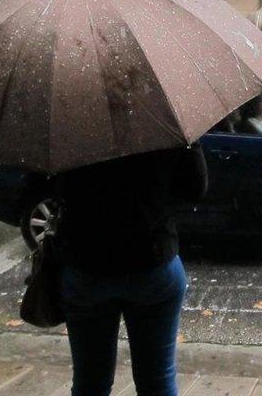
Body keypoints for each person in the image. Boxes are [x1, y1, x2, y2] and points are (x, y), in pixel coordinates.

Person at [54, 146, 208, 396]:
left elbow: (36, 189)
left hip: (87, 265)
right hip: (153, 261)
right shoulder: (160, 123)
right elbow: (195, 188)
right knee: (158, 380)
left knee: (90, 382)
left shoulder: (71, 127)